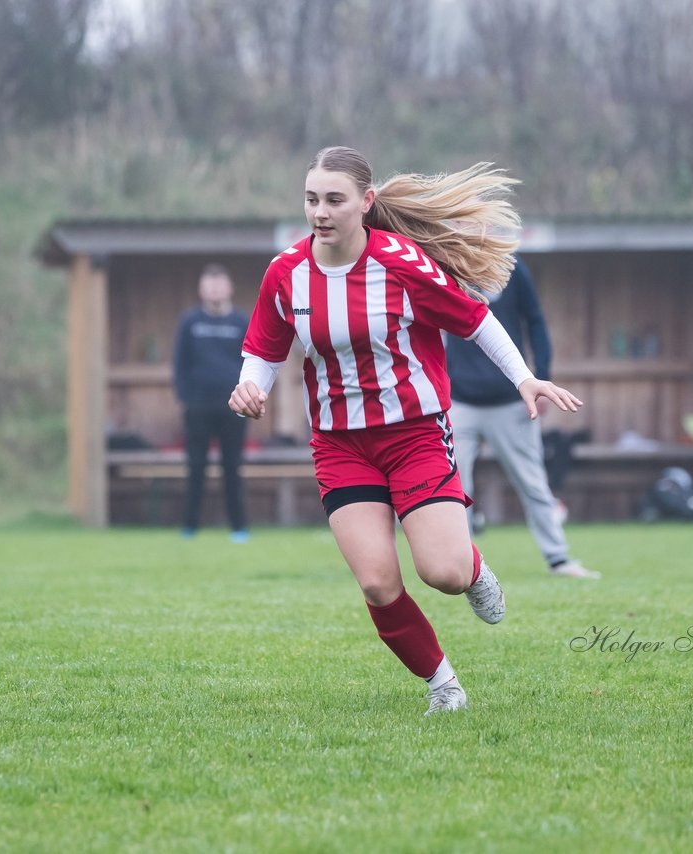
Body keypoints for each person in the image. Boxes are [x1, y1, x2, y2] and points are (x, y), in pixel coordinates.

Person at [229, 146, 582, 716]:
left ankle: (472, 569)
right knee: (376, 583)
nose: (320, 211)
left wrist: (525, 379)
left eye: (334, 200)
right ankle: (442, 682)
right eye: (312, 199)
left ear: (366, 203)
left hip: (414, 434)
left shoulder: (400, 263)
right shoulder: (286, 273)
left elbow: (476, 320)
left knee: (440, 571)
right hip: (341, 445)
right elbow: (261, 350)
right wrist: (251, 387)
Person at [447, 257, 598, 579]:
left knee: (533, 482)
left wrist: (541, 377)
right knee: (455, 489)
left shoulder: (512, 268)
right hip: (458, 401)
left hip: (511, 400)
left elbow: (535, 322)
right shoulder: (444, 267)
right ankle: (464, 566)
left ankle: (559, 559)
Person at [172, 264, 250, 542]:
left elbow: (251, 362)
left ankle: (239, 528)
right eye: (209, 284)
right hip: (198, 407)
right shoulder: (190, 322)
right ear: (201, 289)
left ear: (229, 288)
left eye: (219, 283)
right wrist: (184, 397)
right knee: (195, 467)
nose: (215, 289)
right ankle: (190, 527)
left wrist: (246, 397)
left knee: (232, 467)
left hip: (233, 407)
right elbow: (179, 364)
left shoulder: (241, 322)